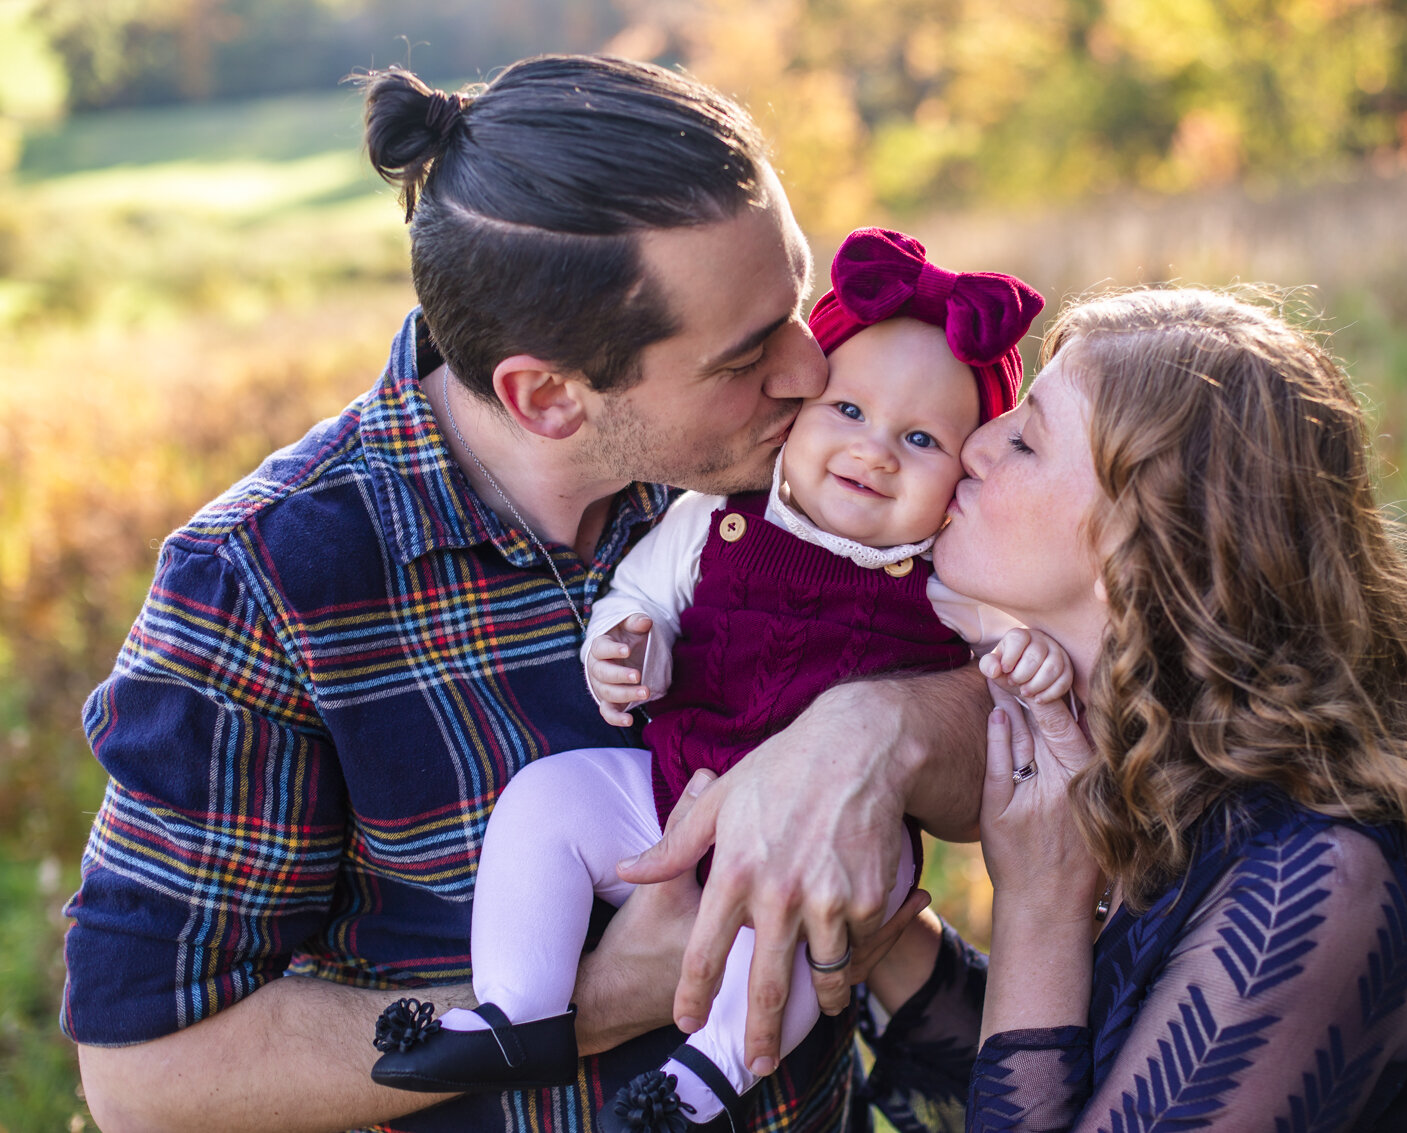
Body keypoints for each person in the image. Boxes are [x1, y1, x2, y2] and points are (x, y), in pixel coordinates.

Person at [63, 57, 991, 1133]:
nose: (808, 369)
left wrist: (876, 726)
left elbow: (1002, 728)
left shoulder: (800, 472)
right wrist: (599, 1005)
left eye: (799, 306)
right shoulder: (264, 584)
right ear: (548, 396)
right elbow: (144, 1077)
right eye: (746, 355)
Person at [368, 227, 1048, 1132]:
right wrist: (625, 645)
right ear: (798, 414)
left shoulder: (941, 577)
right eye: (847, 411)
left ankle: (701, 1080)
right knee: (546, 799)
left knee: (836, 918)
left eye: (920, 439)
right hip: (666, 796)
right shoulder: (719, 518)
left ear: (962, 477)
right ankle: (515, 1008)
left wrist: (1022, 657)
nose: (875, 450)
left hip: (822, 853)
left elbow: (1000, 660)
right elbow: (640, 591)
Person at [863, 287, 1407, 1130]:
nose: (974, 446)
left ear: (1140, 541)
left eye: (1026, 438)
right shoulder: (1162, 759)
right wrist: (875, 931)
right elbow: (1068, 1063)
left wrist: (1041, 908)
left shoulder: (1318, 883)